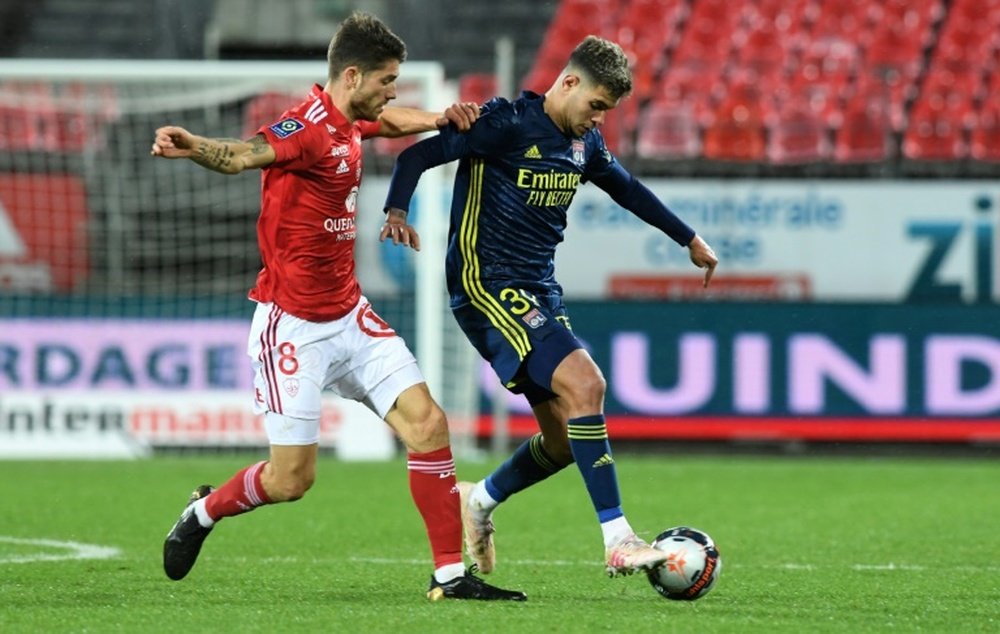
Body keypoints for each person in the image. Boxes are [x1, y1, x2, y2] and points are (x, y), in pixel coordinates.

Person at [151, 11, 525, 602]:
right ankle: (204, 511)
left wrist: (434, 118)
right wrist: (196, 146)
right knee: (291, 480)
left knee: (428, 425)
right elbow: (245, 154)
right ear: (353, 76)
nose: (392, 91)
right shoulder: (304, 129)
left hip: (349, 316)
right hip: (292, 326)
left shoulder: (352, 119)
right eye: (386, 80)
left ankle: (450, 577)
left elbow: (391, 119)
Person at [381, 35, 719, 580]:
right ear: (568, 83)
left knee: (563, 441)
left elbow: (628, 189)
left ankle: (480, 502)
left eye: (607, 110)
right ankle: (618, 539)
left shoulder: (585, 146)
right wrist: (397, 209)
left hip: (538, 289)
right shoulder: (504, 124)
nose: (598, 118)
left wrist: (689, 238)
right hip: (485, 284)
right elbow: (419, 154)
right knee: (587, 385)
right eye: (596, 105)